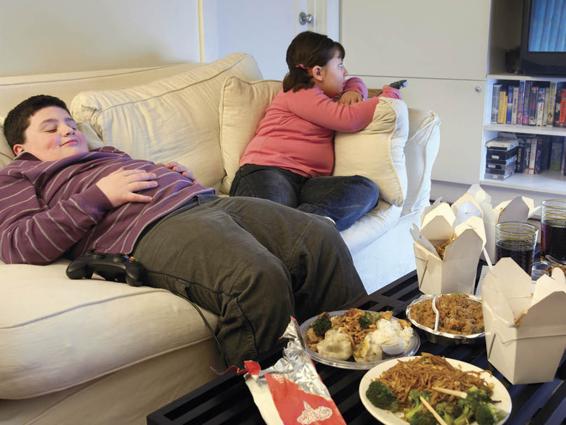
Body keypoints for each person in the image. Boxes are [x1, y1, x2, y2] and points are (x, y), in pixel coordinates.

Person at [0, 95, 367, 366]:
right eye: (51, 128)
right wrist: (99, 196)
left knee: (320, 238)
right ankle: (263, 403)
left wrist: (169, 175)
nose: (67, 130)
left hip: (211, 201)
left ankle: (361, 369)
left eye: (70, 124)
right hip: (151, 229)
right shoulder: (19, 175)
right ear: (21, 149)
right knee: (257, 276)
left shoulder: (106, 154)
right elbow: (18, 243)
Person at [229, 31, 401, 231]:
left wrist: (353, 90)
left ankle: (303, 229)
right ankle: (301, 233)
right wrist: (387, 100)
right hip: (267, 171)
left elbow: (353, 81)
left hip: (308, 183)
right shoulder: (299, 92)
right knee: (272, 217)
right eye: (339, 65)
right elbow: (347, 119)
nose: (345, 72)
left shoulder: (324, 95)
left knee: (366, 190)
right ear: (318, 73)